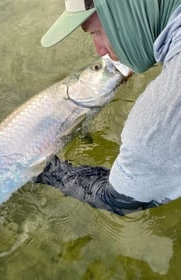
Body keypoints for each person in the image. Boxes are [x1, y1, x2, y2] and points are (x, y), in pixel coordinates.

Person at [35, 0, 181, 216]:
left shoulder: (156, 123)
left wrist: (44, 170)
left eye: (97, 31)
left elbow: (117, 198)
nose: (100, 50)